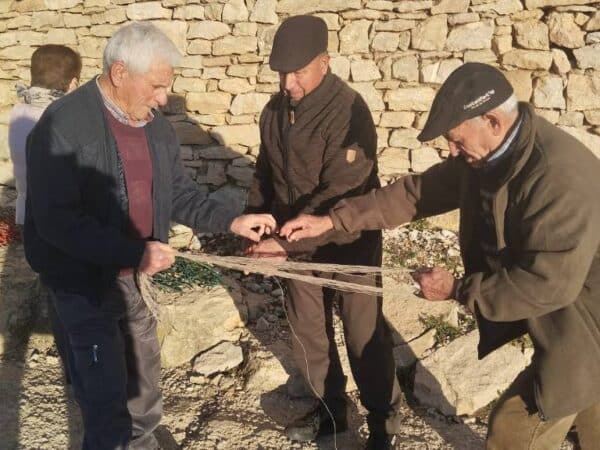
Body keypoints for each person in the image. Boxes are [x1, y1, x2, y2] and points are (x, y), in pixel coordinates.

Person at [281, 62, 600, 449]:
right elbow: (415, 194)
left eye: (456, 140)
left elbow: (547, 284)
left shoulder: (557, 177)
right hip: (572, 309)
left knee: (513, 432)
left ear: (492, 121)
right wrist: (331, 221)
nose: (450, 150)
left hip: (584, 320)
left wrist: (458, 290)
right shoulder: (490, 155)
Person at [24, 22, 275, 450]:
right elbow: (56, 221)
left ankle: (140, 440)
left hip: (136, 281)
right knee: (104, 402)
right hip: (82, 287)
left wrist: (231, 221)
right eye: (156, 86)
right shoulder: (62, 125)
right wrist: (134, 251)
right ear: (120, 73)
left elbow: (180, 194)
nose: (163, 99)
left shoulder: (156, 127)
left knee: (143, 389)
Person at [245, 15, 402, 449]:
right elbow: (265, 172)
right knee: (308, 333)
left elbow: (343, 191)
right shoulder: (273, 112)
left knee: (363, 332)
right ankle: (331, 411)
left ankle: (382, 419)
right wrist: (256, 219)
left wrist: (284, 241)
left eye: (297, 72)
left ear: (324, 62)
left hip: (349, 242)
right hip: (295, 251)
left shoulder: (350, 111)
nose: (287, 82)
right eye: (281, 72)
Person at [9, 44, 81, 226]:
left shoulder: (19, 112)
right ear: (73, 83)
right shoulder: (65, 117)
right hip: (59, 217)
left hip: (26, 211)